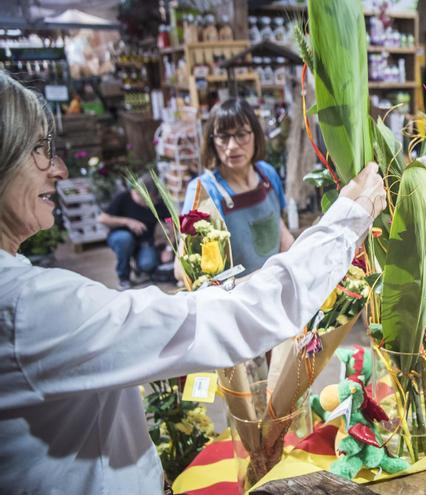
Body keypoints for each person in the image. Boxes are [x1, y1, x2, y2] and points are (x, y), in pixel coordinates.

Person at [0, 70, 387, 493]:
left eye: (241, 136)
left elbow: (275, 229)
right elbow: (214, 320)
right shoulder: (26, 308)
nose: (57, 168)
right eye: (40, 149)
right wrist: (347, 221)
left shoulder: (267, 177)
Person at [181, 98, 294, 277]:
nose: (232, 146)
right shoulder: (203, 192)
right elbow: (182, 270)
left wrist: (294, 255)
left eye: (241, 134)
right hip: (237, 299)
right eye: (223, 137)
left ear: (255, 134)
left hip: (275, 288)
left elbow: (277, 223)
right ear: (212, 141)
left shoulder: (267, 174)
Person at [98, 173, 169, 289]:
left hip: (145, 241)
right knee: (124, 240)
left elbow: (171, 223)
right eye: (152, 199)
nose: (154, 202)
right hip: (121, 236)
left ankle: (140, 265)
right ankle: (123, 277)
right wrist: (128, 222)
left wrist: (168, 248)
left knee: (148, 264)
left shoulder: (158, 203)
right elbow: (102, 218)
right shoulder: (123, 197)